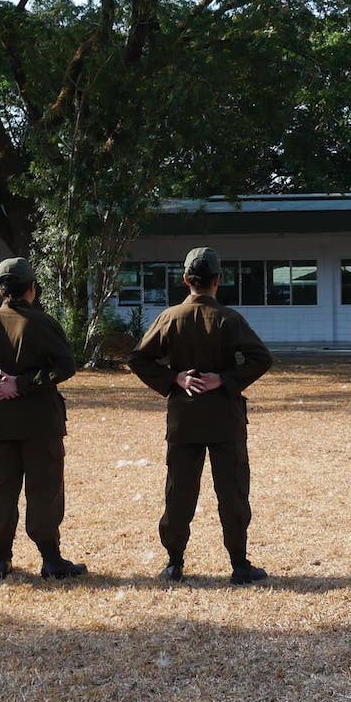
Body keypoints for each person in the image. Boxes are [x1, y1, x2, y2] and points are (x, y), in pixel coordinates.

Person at [129, 247, 273, 584]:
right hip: (225, 418)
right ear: (217, 280)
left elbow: (138, 359)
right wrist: (225, 378)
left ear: (186, 280)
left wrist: (174, 379)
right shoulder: (229, 318)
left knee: (179, 491)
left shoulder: (170, 318)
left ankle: (174, 563)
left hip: (184, 419)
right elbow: (261, 358)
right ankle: (239, 564)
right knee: (233, 491)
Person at [0, 257, 85, 579]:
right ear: (32, 289)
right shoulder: (44, 323)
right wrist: (23, 383)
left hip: (0, 423)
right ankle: (51, 560)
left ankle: (1, 558)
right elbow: (65, 366)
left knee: (2, 490)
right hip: (40, 423)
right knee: (45, 489)